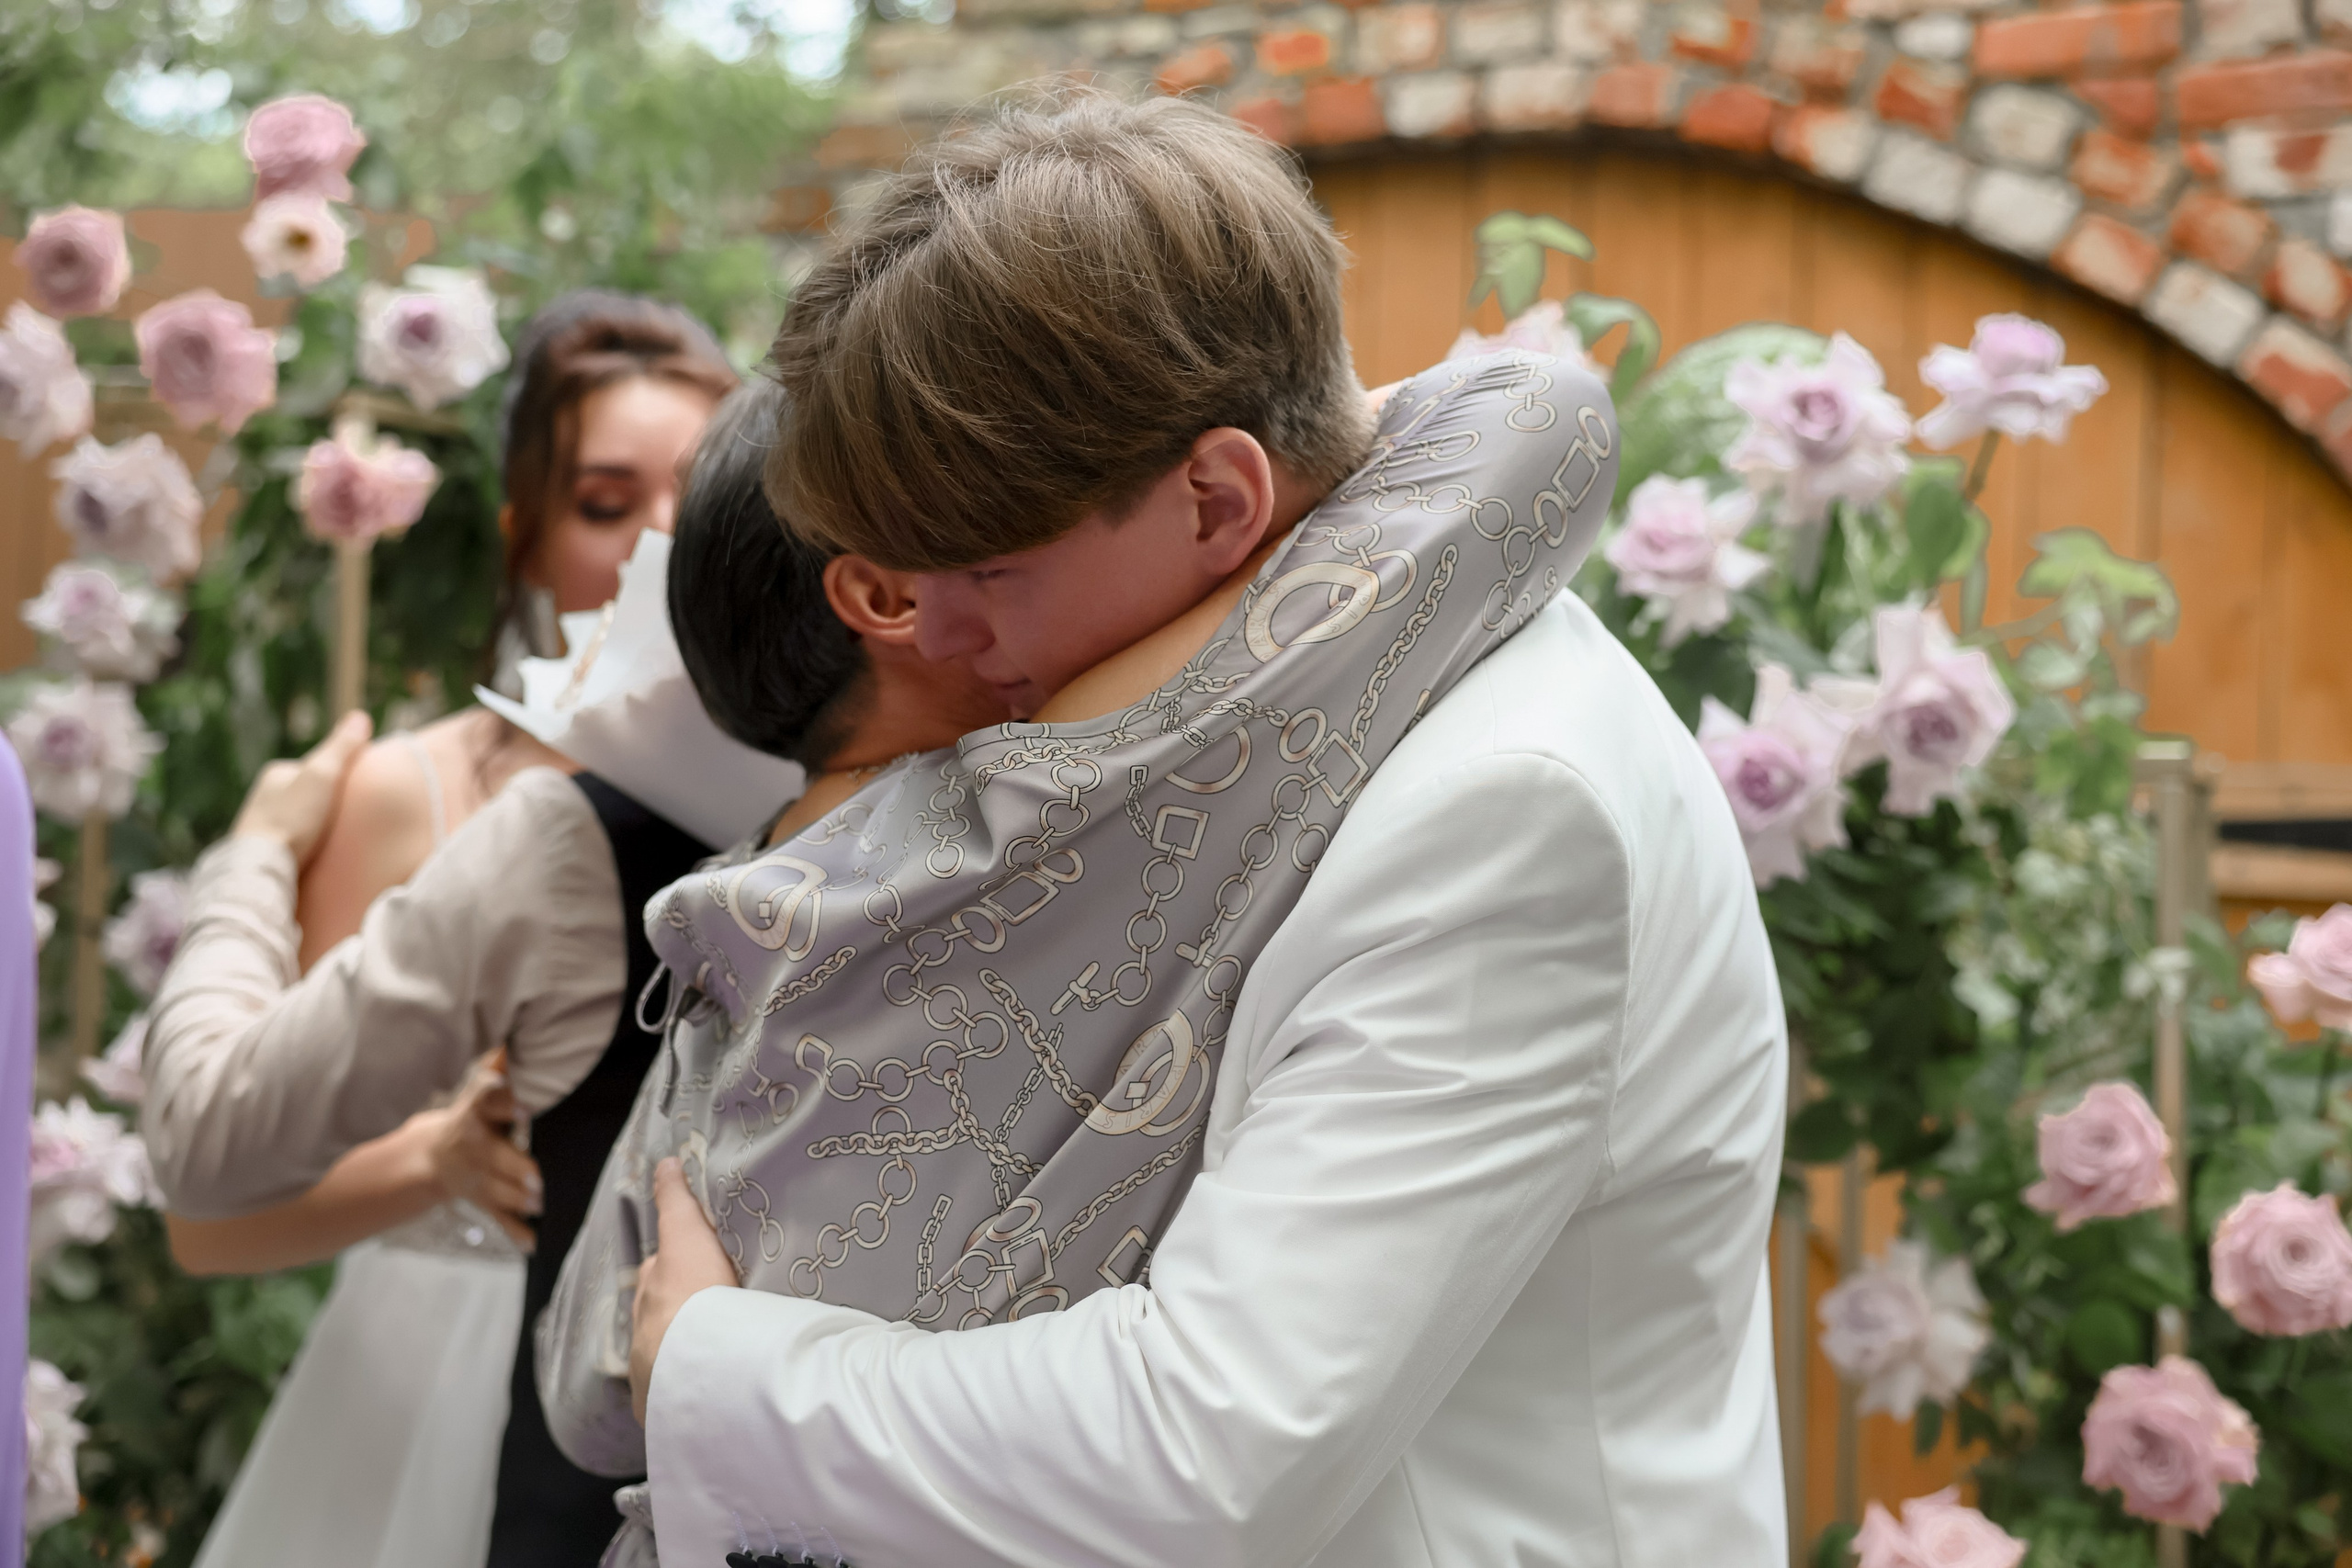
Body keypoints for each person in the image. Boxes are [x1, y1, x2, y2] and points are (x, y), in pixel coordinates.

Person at [588, 89, 1790, 1568]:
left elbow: (1216, 1443)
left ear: (1219, 498)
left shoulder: (1503, 808)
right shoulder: (1268, 701)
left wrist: (709, 1360)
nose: (942, 639)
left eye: (984, 571)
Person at [147, 294, 749, 1568]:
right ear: (525, 538)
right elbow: (211, 1214)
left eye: (699, 497)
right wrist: (429, 1163)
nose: (661, 544)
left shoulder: (799, 786)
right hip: (419, 1384)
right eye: (606, 504)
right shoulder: (399, 796)